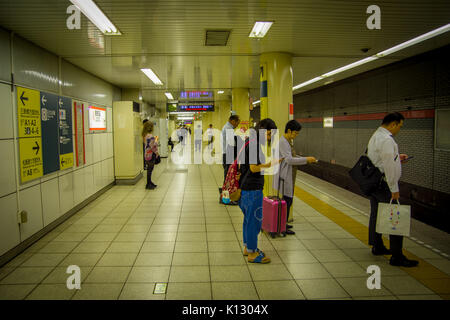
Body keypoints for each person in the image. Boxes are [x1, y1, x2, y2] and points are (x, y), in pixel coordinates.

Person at [367, 112, 418, 267]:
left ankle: (377, 246)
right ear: (393, 124)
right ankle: (397, 256)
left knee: (376, 214)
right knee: (395, 217)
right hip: (385, 185)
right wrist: (394, 188)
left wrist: (397, 158)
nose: (399, 129)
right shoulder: (387, 139)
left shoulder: (376, 135)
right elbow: (389, 166)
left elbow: (382, 159)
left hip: (374, 183)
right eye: (400, 126)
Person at [238, 118, 283, 264]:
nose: (269, 138)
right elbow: (253, 167)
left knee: (248, 220)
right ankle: (252, 253)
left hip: (246, 188)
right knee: (254, 222)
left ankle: (248, 248)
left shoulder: (249, 141)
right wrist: (271, 163)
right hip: (252, 189)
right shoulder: (254, 145)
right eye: (268, 134)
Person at [273, 120, 317, 235]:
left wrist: (305, 159)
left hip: (289, 175)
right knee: (287, 200)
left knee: (287, 200)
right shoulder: (283, 142)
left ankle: (284, 224)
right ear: (289, 131)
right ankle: (282, 227)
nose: (296, 135)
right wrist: (306, 159)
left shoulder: (288, 141)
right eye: (296, 133)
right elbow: (289, 160)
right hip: (284, 175)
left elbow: (291, 156)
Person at [220, 114, 241, 204]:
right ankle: (225, 199)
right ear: (233, 121)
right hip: (228, 154)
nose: (237, 125)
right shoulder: (229, 129)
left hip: (226, 154)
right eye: (237, 123)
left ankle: (225, 198)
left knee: (227, 177)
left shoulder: (227, 127)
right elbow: (232, 144)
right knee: (228, 178)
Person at [142, 121, 159, 190]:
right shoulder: (150, 136)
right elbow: (153, 146)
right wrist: (157, 152)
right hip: (151, 154)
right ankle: (148, 184)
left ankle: (149, 182)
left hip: (147, 154)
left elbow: (147, 144)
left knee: (149, 169)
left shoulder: (145, 135)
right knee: (150, 170)